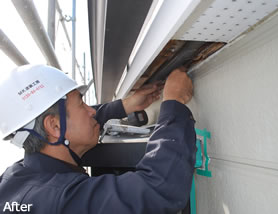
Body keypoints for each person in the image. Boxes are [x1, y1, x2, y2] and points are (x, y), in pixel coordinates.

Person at [0, 64, 196, 214]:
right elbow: (157, 188)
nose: (91, 110)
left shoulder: (18, 177)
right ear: (54, 126)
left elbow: (73, 126)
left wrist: (124, 106)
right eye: (82, 104)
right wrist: (174, 103)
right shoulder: (60, 200)